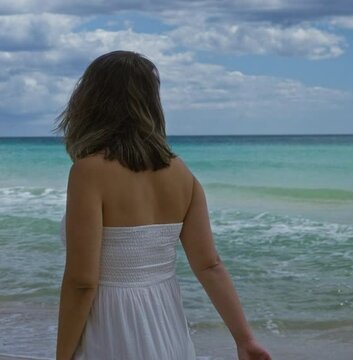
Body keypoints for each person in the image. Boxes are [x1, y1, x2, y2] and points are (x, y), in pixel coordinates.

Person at [52, 50, 272, 360]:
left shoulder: (88, 172)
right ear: (152, 103)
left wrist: (62, 356)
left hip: (111, 326)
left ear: (90, 101)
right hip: (166, 324)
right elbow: (209, 265)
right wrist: (245, 340)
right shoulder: (182, 173)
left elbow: (82, 281)